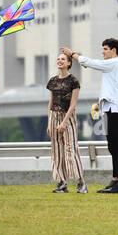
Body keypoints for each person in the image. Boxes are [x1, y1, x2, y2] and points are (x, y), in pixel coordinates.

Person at [62, 39, 118, 193]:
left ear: (114, 50)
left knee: (115, 147)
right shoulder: (113, 66)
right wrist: (100, 104)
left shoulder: (114, 63)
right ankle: (116, 180)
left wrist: (72, 54)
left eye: (105, 49)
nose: (103, 52)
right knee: (113, 146)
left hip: (115, 111)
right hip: (111, 108)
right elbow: (112, 89)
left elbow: (92, 63)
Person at [45, 52, 86, 193]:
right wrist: (49, 121)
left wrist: (64, 122)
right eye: (58, 59)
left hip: (68, 117)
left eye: (63, 59)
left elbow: (73, 104)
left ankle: (81, 182)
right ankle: (62, 183)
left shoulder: (73, 81)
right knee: (56, 151)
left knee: (71, 149)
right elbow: (51, 102)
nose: (60, 61)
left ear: (69, 63)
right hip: (54, 116)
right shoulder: (52, 81)